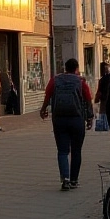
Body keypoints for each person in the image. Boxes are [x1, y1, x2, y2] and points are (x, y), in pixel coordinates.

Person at [39, 59, 94, 191]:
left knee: (63, 151)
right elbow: (88, 100)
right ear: (76, 69)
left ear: (65, 68)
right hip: (77, 119)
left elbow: (48, 96)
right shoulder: (81, 82)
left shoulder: (55, 80)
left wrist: (43, 109)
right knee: (76, 151)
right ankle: (74, 180)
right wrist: (90, 118)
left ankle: (65, 179)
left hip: (59, 119)